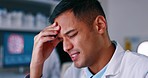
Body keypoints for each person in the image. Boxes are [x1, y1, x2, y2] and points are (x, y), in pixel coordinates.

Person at [28, 0, 148, 78]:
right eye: (61, 39)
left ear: (99, 25)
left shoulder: (142, 70)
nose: (65, 47)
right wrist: (36, 66)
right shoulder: (72, 73)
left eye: (71, 35)